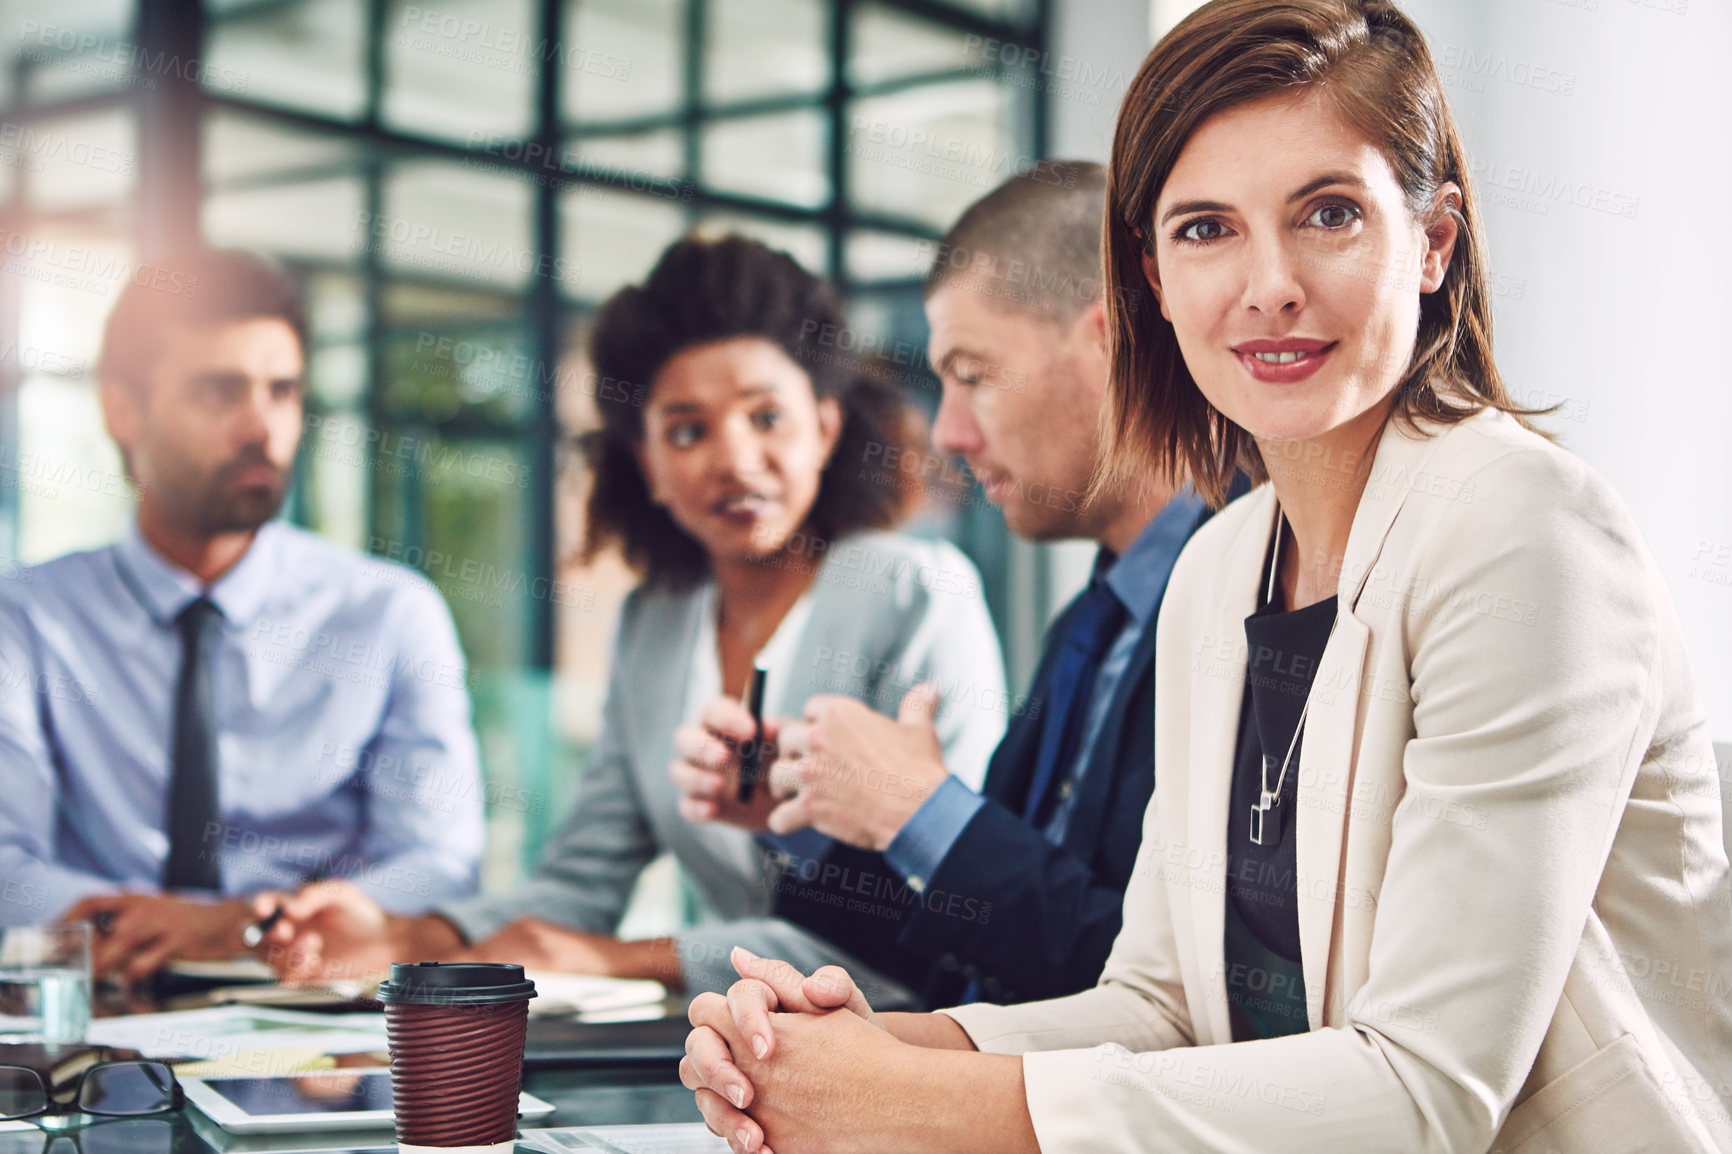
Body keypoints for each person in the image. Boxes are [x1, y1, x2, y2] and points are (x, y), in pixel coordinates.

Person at [679, 2, 1732, 1151]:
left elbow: (1425, 1091)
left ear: (1431, 240)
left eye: (1328, 213)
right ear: (1153, 278)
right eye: (1205, 230)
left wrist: (905, 1103)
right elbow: (1161, 1006)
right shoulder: (1219, 565)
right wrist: (869, 1049)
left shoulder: (1527, 531)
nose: (1267, 284)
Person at [258, 236, 1006, 996]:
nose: (734, 459)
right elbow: (581, 882)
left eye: (767, 417)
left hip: (901, 1050)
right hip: (727, 1053)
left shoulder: (914, 593)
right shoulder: (658, 622)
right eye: (687, 430)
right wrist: (416, 932)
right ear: (647, 463)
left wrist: (623, 960)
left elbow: (928, 922)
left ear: (824, 428)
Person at [672, 163, 1234, 1008]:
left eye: (972, 375)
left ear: (1108, 344)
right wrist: (833, 814)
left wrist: (922, 810)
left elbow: (1162, 988)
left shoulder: (1252, 607)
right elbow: (981, 954)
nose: (949, 433)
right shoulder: (1093, 623)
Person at [0, 248, 484, 981]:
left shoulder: (389, 615)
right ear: (122, 408)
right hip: (100, 1009)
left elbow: (439, 862)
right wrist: (121, 920)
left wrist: (246, 925)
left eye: (283, 391)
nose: (262, 427)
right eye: (218, 392)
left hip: (322, 1021)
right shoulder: (27, 620)